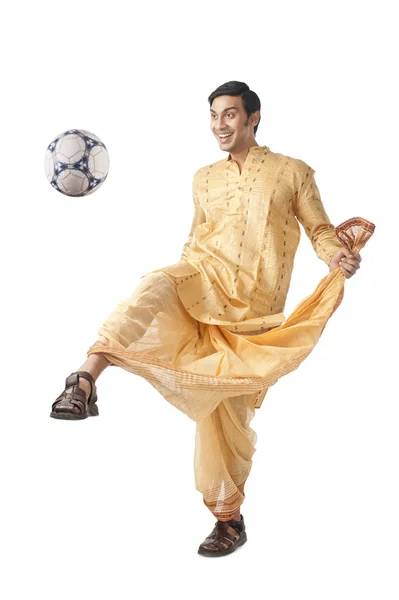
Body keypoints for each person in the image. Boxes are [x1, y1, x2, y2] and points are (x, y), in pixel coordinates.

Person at [50, 81, 362, 558]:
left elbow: (319, 229)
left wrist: (335, 254)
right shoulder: (203, 177)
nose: (220, 124)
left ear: (253, 117)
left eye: (230, 114)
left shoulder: (292, 172)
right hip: (200, 281)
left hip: (252, 319)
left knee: (222, 423)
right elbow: (196, 237)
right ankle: (84, 380)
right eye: (214, 115)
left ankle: (229, 520)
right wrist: (183, 289)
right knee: (152, 287)